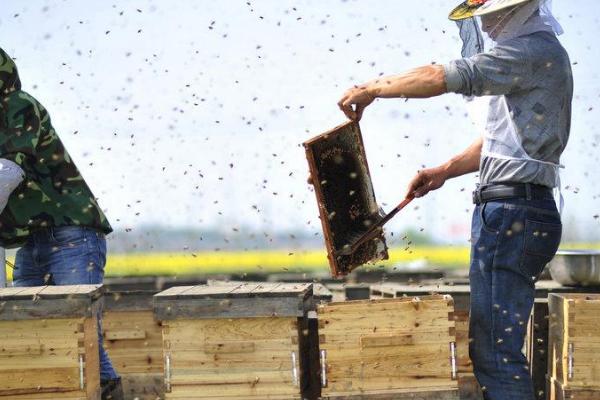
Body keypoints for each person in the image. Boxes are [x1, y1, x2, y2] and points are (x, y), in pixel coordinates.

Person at [337, 0, 570, 398]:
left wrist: (371, 88)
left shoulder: (530, 50)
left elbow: (440, 75)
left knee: (497, 356)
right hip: (524, 207)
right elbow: (504, 143)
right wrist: (445, 170)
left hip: (512, 212)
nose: (487, 24)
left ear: (519, 10)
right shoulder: (541, 54)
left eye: (493, 13)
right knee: (500, 349)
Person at [0, 47, 123, 400]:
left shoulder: (17, 106)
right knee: (33, 331)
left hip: (71, 234)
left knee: (80, 334)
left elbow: (6, 172)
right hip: (31, 242)